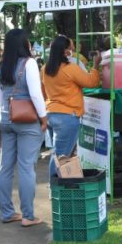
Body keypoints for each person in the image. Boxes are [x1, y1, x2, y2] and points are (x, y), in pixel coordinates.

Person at [0, 28, 48, 227]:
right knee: (26, 167)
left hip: (6, 121)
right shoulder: (29, 63)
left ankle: (7, 212)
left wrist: (1, 119)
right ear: (25, 44)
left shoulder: (1, 66)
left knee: (5, 167)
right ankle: (28, 215)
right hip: (27, 121)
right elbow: (35, 94)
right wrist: (43, 118)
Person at [42, 35, 100, 173]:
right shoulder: (70, 68)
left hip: (50, 113)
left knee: (58, 153)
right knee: (61, 157)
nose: (73, 51)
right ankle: (54, 189)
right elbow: (91, 82)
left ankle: (57, 188)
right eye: (71, 48)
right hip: (67, 116)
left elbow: (42, 89)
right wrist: (96, 65)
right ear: (65, 51)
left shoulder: (45, 68)